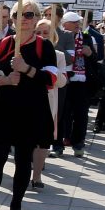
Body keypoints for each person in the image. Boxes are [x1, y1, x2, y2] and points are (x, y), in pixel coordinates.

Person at [0, 0, 55, 210]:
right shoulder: (2, 44)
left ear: (37, 18)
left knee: (22, 161)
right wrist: (6, 79)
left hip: (30, 111)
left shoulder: (44, 46)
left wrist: (27, 70)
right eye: (19, 15)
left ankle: (16, 207)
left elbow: (50, 79)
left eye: (29, 15)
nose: (24, 20)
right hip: (3, 110)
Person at [54, 11, 98, 158]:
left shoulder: (86, 37)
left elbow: (97, 58)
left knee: (81, 114)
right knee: (61, 113)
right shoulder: (59, 37)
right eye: (74, 22)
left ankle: (78, 143)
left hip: (81, 82)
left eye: (78, 22)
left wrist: (90, 53)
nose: (78, 25)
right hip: (64, 79)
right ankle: (57, 144)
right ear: (65, 24)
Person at [30, 17, 67, 188]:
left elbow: (62, 81)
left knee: (42, 139)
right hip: (28, 99)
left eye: (46, 33)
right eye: (39, 32)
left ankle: (37, 176)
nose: (42, 35)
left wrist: (51, 72)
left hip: (48, 100)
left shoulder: (58, 55)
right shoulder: (27, 51)